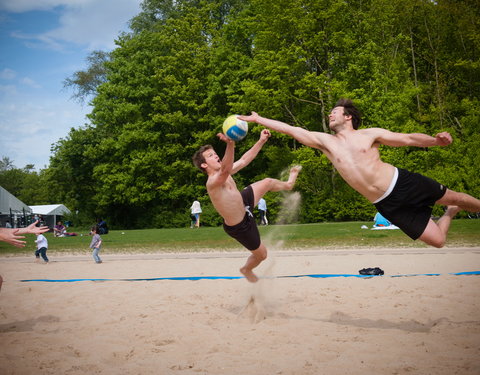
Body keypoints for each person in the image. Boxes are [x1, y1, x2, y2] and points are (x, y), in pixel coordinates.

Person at [239, 99, 480, 248]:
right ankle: (451, 213)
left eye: (334, 111)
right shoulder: (326, 142)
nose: (330, 114)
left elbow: (406, 139)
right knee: (438, 241)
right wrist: (259, 119)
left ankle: (455, 205)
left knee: (456, 197)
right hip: (387, 204)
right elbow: (292, 129)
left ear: (348, 116)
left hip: (402, 182)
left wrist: (436, 141)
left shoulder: (369, 134)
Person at [192, 130, 302, 282]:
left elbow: (244, 160)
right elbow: (225, 169)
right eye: (211, 156)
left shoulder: (225, 171)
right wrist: (230, 144)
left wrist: (261, 140)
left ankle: (288, 185)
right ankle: (246, 269)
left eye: (215, 153)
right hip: (240, 225)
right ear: (204, 165)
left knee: (268, 182)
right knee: (262, 255)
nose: (216, 155)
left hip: (244, 204)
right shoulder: (212, 182)